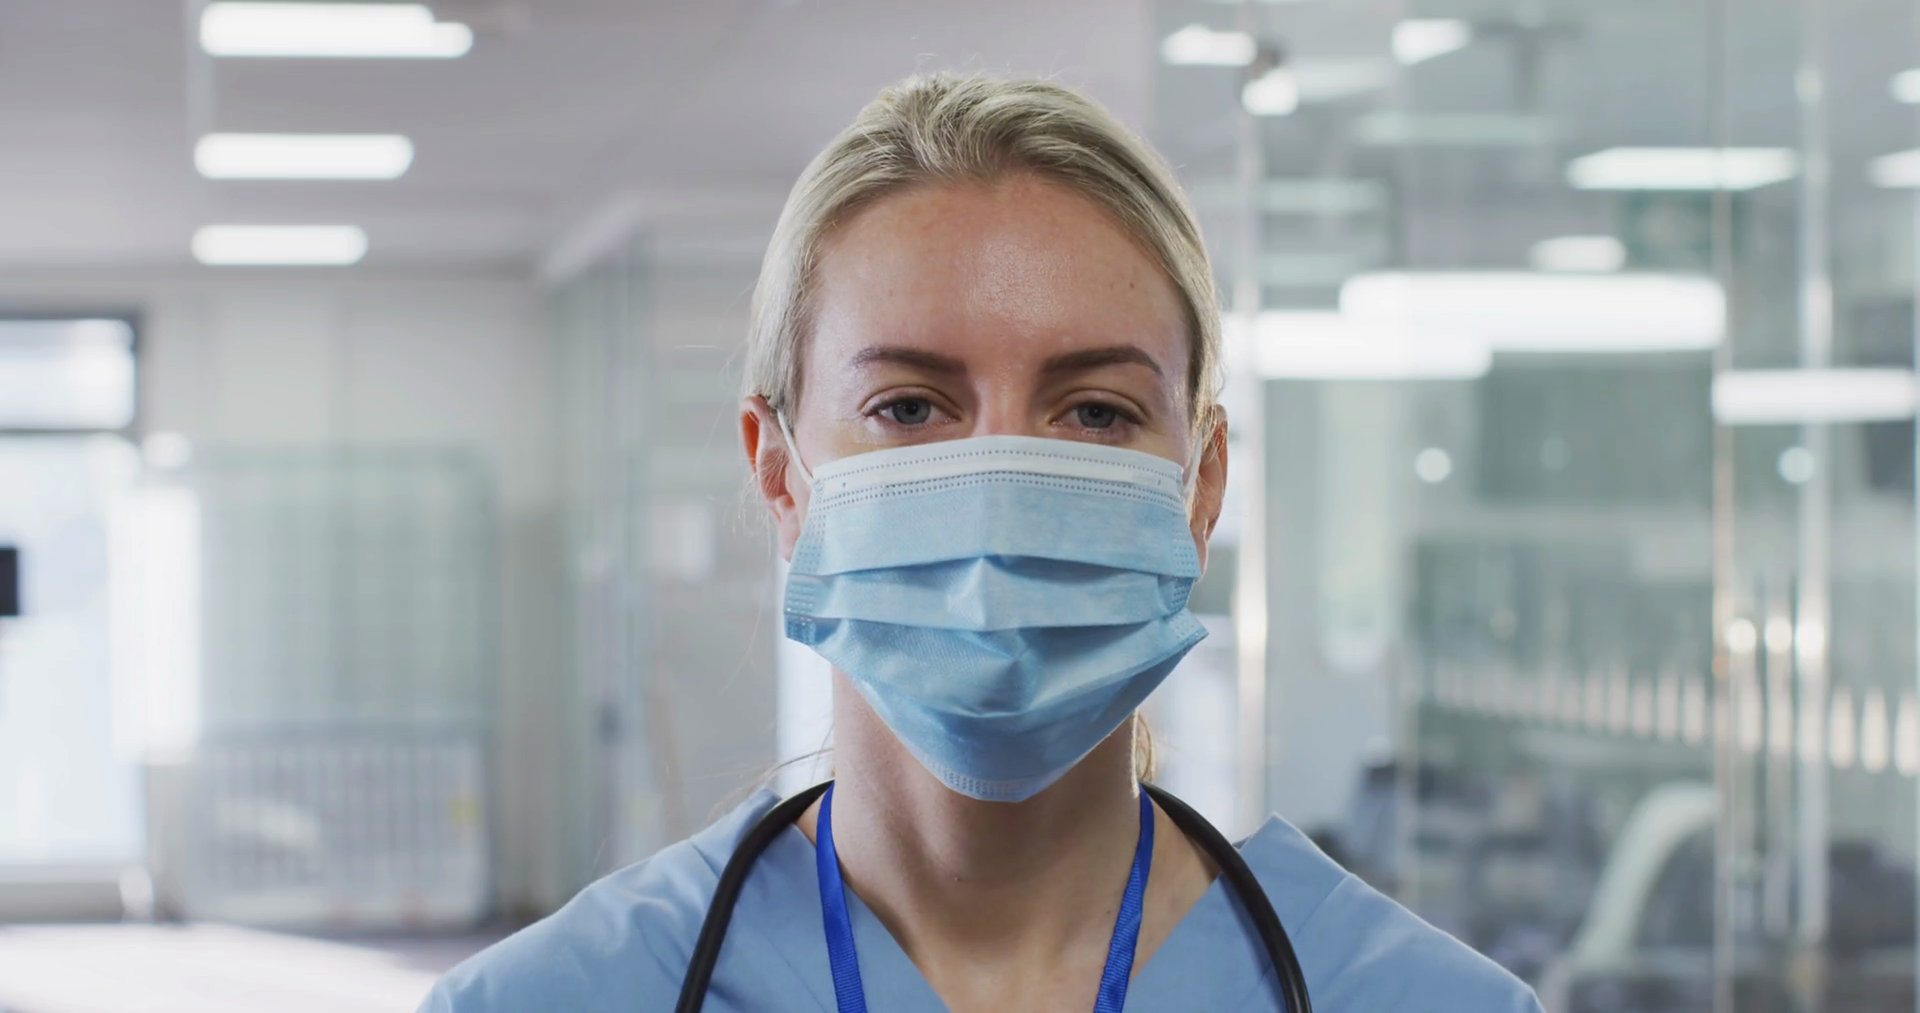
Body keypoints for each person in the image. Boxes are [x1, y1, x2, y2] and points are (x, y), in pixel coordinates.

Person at [421, 73, 1543, 1013]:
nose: (1002, 485)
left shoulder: (1412, 997)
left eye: (1096, 410)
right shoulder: (563, 994)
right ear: (778, 473)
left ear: (1201, 484)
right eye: (909, 406)